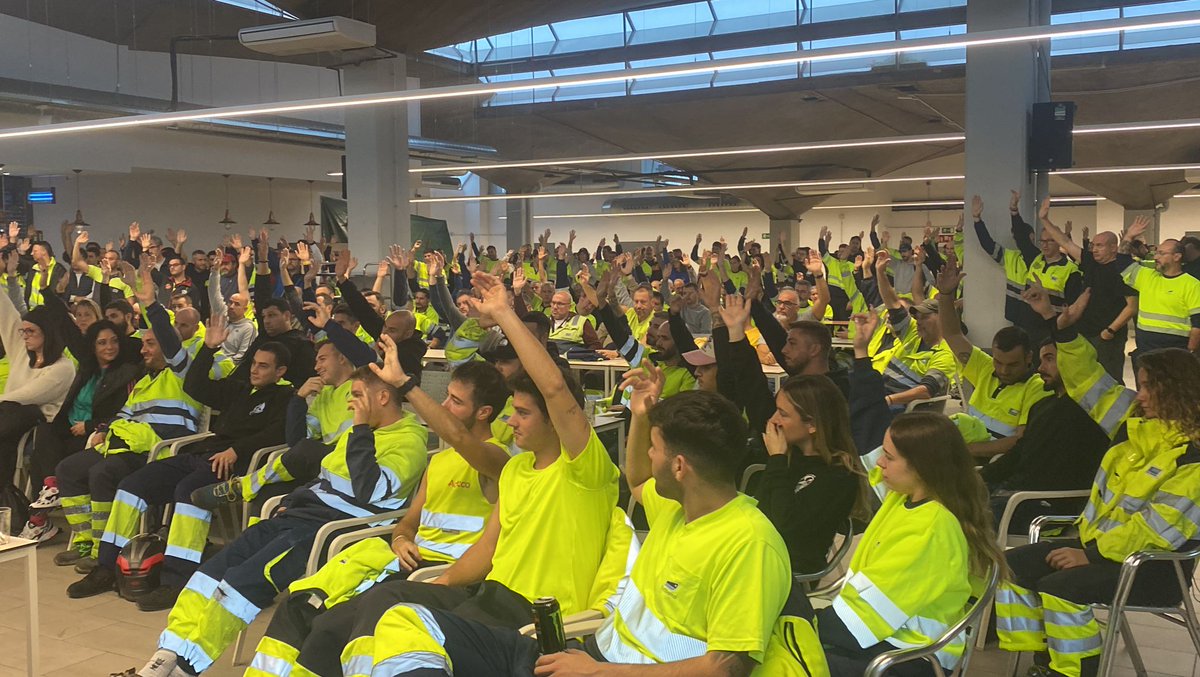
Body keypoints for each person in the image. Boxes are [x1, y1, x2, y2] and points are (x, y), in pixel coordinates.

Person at [269, 269, 620, 676]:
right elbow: (486, 550)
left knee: (399, 625)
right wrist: (434, 585)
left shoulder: (586, 470)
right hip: (488, 593)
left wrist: (506, 314)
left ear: (555, 422)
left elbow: (555, 390)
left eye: (523, 413)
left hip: (533, 616)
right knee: (357, 613)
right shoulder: (517, 470)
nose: (513, 422)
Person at [353, 365, 792, 677]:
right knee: (405, 620)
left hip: (600, 666)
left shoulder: (750, 543)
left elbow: (725, 667)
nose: (648, 456)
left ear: (679, 467)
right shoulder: (679, 511)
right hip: (580, 654)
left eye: (656, 448)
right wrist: (641, 418)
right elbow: (637, 479)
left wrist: (599, 671)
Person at [126, 363, 430, 677]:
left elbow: (371, 491)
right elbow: (325, 479)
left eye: (356, 396)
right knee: (212, 572)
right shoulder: (361, 433)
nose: (351, 403)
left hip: (332, 529)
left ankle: (186, 668)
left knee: (241, 583)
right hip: (301, 515)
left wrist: (361, 430)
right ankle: (166, 655)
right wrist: (292, 500)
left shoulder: (407, 441)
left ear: (382, 398)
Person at [246, 353, 512, 674]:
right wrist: (400, 539)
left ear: (483, 412)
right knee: (302, 603)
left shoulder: (498, 461)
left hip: (442, 576)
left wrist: (405, 385)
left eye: (455, 401)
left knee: (330, 628)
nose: (443, 407)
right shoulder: (440, 461)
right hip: (403, 562)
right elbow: (408, 524)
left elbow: (458, 436)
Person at [995, 348, 1200, 677]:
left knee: (1060, 588)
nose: (1140, 395)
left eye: (1148, 387)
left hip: (1154, 567)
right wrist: (1061, 332)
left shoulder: (1193, 456)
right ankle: (1045, 659)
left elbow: (1155, 530)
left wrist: (1090, 555)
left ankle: (1076, 670)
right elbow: (1086, 380)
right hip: (1100, 549)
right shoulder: (1134, 430)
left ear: (1174, 389)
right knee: (1011, 567)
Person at [68, 314, 295, 607]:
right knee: (131, 486)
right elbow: (195, 386)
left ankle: (176, 578)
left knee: (188, 493)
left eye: (263, 366)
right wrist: (209, 349)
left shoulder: (286, 396)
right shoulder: (239, 388)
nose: (254, 370)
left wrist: (239, 449)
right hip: (201, 453)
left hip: (235, 466)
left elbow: (281, 432)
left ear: (281, 371)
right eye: (253, 363)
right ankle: (106, 566)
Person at [818, 412, 1006, 676]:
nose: (879, 463)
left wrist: (805, 623)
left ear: (923, 467)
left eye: (889, 457)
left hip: (909, 655)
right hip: (890, 637)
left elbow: (865, 617)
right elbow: (872, 473)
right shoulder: (906, 497)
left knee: (786, 660)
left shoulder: (931, 530)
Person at [52, 269, 206, 573]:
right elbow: (124, 415)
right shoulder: (144, 381)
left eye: (151, 344)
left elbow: (173, 347)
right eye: (144, 344)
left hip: (157, 450)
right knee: (67, 469)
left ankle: (102, 547)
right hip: (122, 445)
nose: (144, 349)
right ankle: (85, 540)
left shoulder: (184, 373)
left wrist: (151, 306)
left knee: (101, 473)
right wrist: (103, 430)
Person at [188, 339, 357, 515]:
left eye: (322, 359)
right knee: (265, 496)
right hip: (325, 465)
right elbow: (296, 440)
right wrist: (298, 399)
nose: (316, 367)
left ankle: (243, 486)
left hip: (352, 462)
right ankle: (250, 538)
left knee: (308, 449)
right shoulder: (324, 394)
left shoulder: (363, 387)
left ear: (342, 357)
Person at [21, 320, 142, 544]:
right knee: (44, 432)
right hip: (69, 428)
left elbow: (126, 413)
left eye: (114, 341)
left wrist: (89, 425)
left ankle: (39, 520)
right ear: (93, 347)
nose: (109, 347)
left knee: (45, 457)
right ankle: (51, 488)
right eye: (102, 343)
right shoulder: (87, 371)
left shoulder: (128, 374)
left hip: (96, 435)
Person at [936, 253, 1051, 457]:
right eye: (999, 362)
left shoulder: (1037, 389)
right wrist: (945, 296)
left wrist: (966, 452)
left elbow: (1018, 441)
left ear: (1028, 357)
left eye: (1012, 364)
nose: (1004, 370)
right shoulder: (985, 368)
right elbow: (952, 334)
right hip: (965, 453)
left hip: (991, 464)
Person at [1038, 202, 1136, 381]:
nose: (1095, 249)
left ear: (1114, 248)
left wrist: (1110, 331)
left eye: (1100, 246)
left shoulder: (1123, 270)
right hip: (1084, 333)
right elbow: (1065, 242)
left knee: (1109, 381)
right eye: (1094, 245)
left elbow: (1132, 306)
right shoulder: (1090, 262)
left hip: (1107, 338)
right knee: (1085, 378)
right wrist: (1044, 219)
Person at [0, 263, 76, 491]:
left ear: (47, 333)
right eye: (23, 331)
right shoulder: (22, 351)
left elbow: (27, 396)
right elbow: (6, 313)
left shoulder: (63, 368)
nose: (24, 336)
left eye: (30, 331)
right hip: (8, 418)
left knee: (18, 408)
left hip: (38, 425)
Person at [871, 251, 956, 408]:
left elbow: (925, 391)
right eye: (917, 317)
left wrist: (888, 400)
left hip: (899, 406)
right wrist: (880, 273)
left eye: (924, 317)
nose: (918, 321)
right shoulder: (913, 332)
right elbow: (892, 302)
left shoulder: (945, 355)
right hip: (879, 392)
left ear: (941, 319)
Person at [1119, 222, 1200, 358]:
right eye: (1157, 253)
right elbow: (1121, 261)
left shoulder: (1192, 284)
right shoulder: (1147, 277)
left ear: (1177, 257)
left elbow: (1198, 324)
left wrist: (1190, 352)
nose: (1156, 257)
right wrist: (1128, 237)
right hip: (1146, 350)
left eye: (1161, 253)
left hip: (1176, 352)